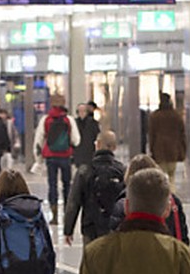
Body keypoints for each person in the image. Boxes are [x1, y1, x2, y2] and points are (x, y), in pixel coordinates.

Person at [106, 154, 190, 244]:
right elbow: (183, 237)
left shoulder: (122, 204)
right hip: (167, 253)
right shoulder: (173, 202)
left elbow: (115, 239)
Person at [64, 130, 127, 246]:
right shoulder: (122, 171)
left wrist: (68, 229)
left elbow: (73, 202)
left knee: (91, 260)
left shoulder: (85, 170)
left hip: (90, 227)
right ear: (115, 147)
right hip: (114, 228)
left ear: (97, 144)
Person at [37, 93, 80, 221]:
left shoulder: (46, 119)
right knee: (67, 184)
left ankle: (54, 214)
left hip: (51, 156)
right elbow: (76, 139)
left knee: (52, 184)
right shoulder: (69, 119)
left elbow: (39, 139)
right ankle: (67, 212)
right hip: (65, 156)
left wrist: (39, 156)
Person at [147, 93, 187, 184]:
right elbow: (182, 135)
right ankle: (171, 196)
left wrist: (151, 150)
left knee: (160, 179)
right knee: (172, 178)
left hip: (159, 151)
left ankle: (162, 196)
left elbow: (151, 135)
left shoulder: (154, 116)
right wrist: (183, 151)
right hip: (173, 151)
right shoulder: (176, 116)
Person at [73, 100, 101, 165]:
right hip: (77, 154)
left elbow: (97, 137)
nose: (82, 113)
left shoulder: (93, 123)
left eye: (84, 111)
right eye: (80, 111)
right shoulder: (74, 123)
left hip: (89, 154)